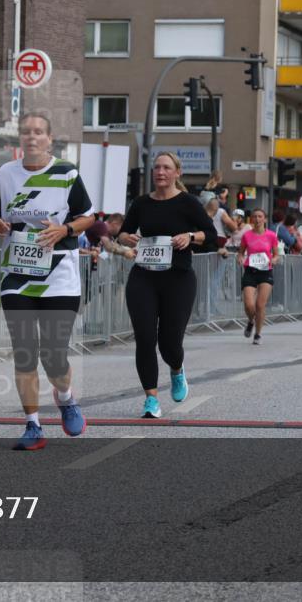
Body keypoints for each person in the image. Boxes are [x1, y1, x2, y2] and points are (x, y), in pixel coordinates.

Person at [0, 113, 95, 450]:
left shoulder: (66, 173)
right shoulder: (6, 173)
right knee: (24, 352)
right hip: (17, 274)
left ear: (49, 139)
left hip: (60, 275)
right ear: (20, 138)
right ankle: (32, 425)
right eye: (26, 132)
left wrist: (65, 230)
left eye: (38, 132)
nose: (31, 137)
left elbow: (89, 217)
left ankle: (65, 397)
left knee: (53, 355)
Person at [117, 151, 216, 418]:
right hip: (143, 278)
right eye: (157, 168)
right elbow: (123, 231)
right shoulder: (141, 203)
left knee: (169, 342)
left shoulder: (188, 203)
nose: (160, 172)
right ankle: (151, 399)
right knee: (145, 339)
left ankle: (176, 368)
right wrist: (128, 238)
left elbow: (212, 236)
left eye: (166, 168)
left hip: (178, 279)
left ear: (177, 173)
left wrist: (191, 236)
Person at [236, 208, 281, 345]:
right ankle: (251, 321)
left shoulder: (272, 235)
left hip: (265, 271)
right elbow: (241, 252)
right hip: (250, 270)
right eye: (254, 217)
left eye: (260, 216)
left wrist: (274, 260)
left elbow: (276, 254)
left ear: (265, 219)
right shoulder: (247, 235)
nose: (257, 219)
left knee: (260, 305)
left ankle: (258, 334)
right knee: (249, 305)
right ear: (251, 219)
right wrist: (240, 258)